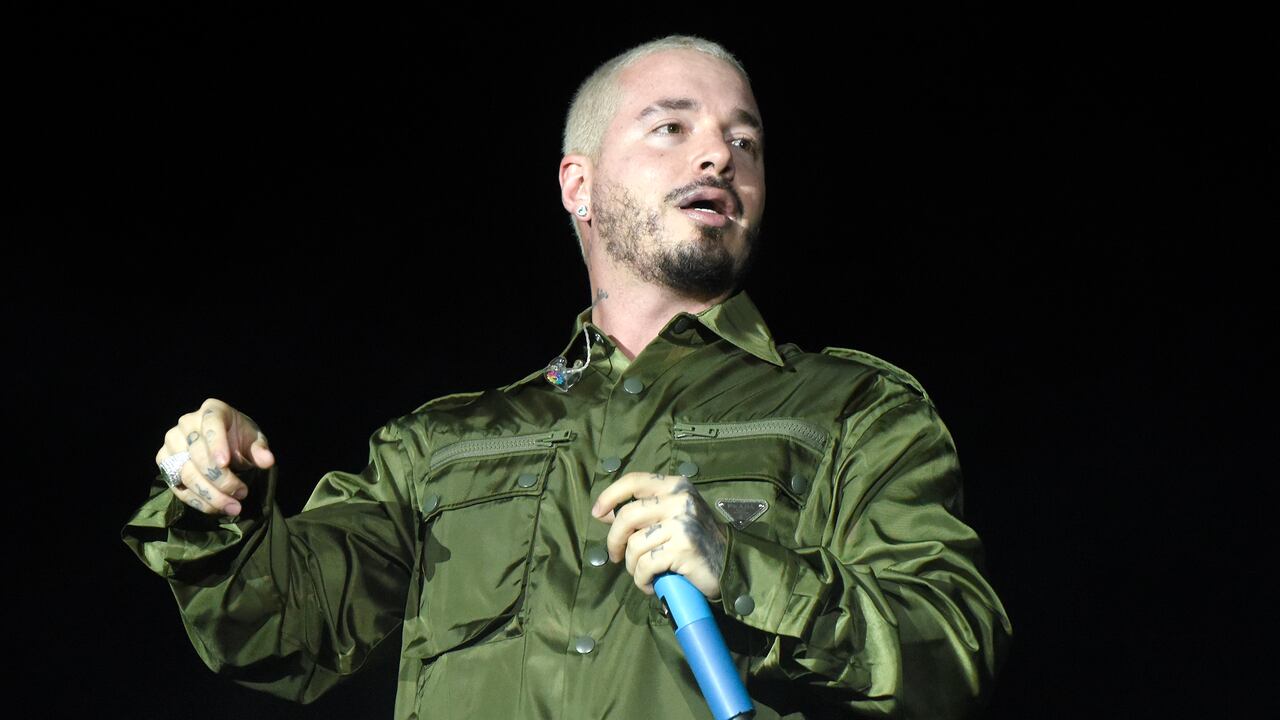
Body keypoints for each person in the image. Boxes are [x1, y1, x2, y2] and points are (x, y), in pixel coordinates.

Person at [123, 34, 1011, 719]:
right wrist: (218, 503)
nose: (719, 158)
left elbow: (951, 651)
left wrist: (742, 573)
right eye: (672, 127)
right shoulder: (440, 445)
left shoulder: (854, 410)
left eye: (746, 141)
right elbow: (286, 628)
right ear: (577, 185)